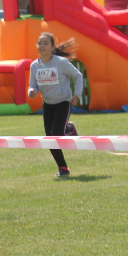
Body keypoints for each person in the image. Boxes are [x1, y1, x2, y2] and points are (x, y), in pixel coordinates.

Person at [28, 32, 83, 178]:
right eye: (40, 43)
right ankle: (63, 168)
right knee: (50, 139)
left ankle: (69, 129)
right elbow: (33, 85)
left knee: (57, 134)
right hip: (47, 104)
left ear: (52, 47)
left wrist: (77, 95)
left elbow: (78, 76)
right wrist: (32, 92)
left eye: (46, 43)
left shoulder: (61, 63)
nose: (42, 46)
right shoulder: (34, 65)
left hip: (63, 103)